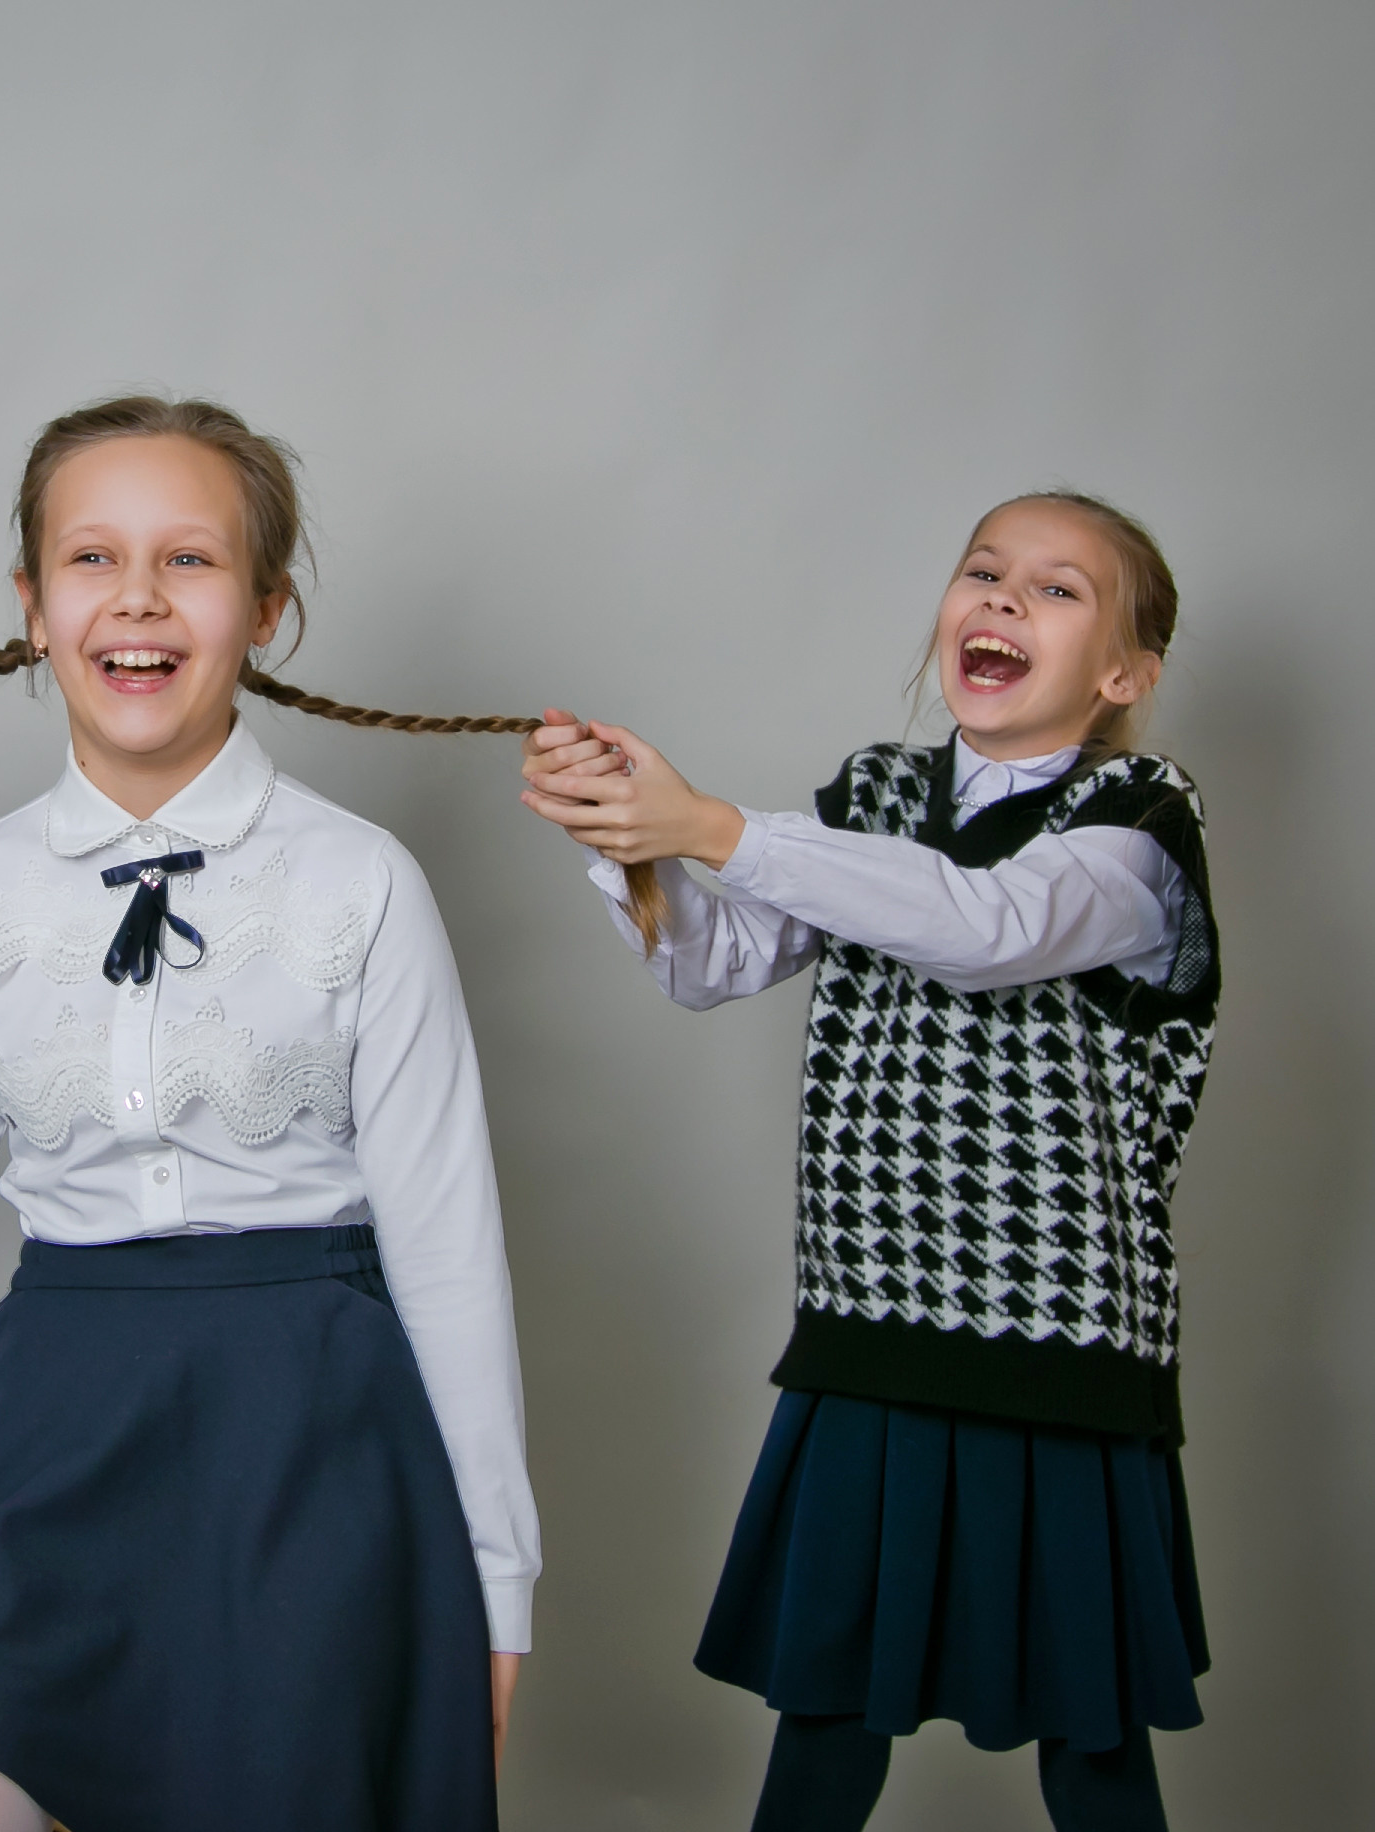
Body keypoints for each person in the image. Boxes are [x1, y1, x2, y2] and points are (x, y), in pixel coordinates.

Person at [0, 397, 539, 1832]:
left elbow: (451, 1256)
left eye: (193, 562)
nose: (139, 599)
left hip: (310, 1443)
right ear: (31, 609)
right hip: (35, 1441)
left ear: (268, 609)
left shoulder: (364, 884)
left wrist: (497, 1583)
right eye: (91, 559)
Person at [520, 492, 1216, 1831]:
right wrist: (623, 839)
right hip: (870, 1331)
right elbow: (718, 961)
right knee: (825, 1711)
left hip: (1059, 1352)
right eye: (984, 571)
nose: (1004, 599)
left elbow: (989, 923)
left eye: (1058, 590)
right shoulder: (874, 799)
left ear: (1125, 673)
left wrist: (715, 827)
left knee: (1092, 1737)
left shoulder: (1142, 823)